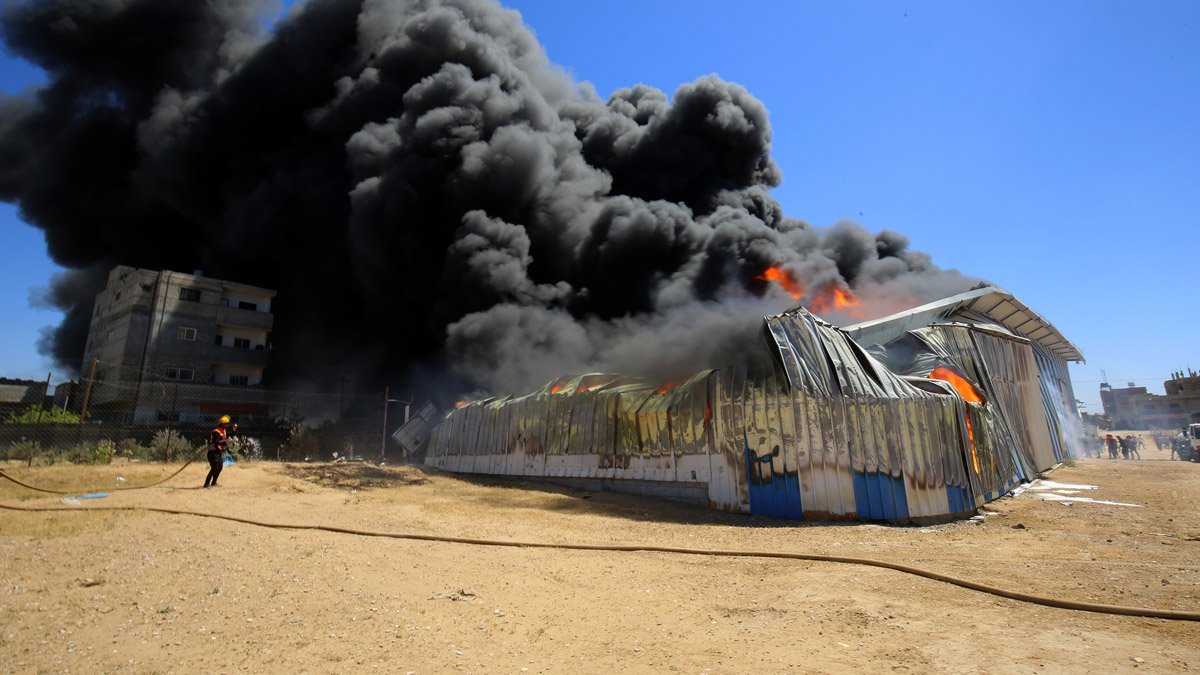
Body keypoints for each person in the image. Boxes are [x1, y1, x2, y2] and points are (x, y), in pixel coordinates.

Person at [204, 415, 233, 488]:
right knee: (214, 467)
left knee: (220, 467)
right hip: (213, 452)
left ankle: (214, 482)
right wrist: (226, 442)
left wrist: (234, 430)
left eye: (227, 424)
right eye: (225, 424)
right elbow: (217, 441)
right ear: (221, 424)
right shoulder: (216, 431)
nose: (227, 425)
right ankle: (207, 484)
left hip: (218, 452)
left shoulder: (223, 431)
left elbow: (229, 436)